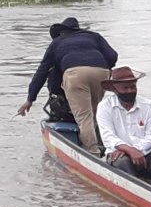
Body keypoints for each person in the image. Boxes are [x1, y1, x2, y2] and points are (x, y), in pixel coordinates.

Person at [18, 17, 117, 153]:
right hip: (101, 72)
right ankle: (103, 146)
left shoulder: (57, 42)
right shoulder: (93, 36)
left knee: (84, 116)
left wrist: (30, 99)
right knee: (94, 112)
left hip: (75, 74)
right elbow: (113, 56)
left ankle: (92, 152)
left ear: (62, 32)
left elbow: (43, 71)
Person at [95, 67, 151, 190]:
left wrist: (136, 150)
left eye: (133, 87)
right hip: (118, 154)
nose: (130, 91)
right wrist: (129, 151)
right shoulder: (105, 107)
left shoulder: (149, 106)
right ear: (115, 89)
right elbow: (108, 137)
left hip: (145, 152)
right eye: (125, 88)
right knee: (122, 162)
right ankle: (135, 193)